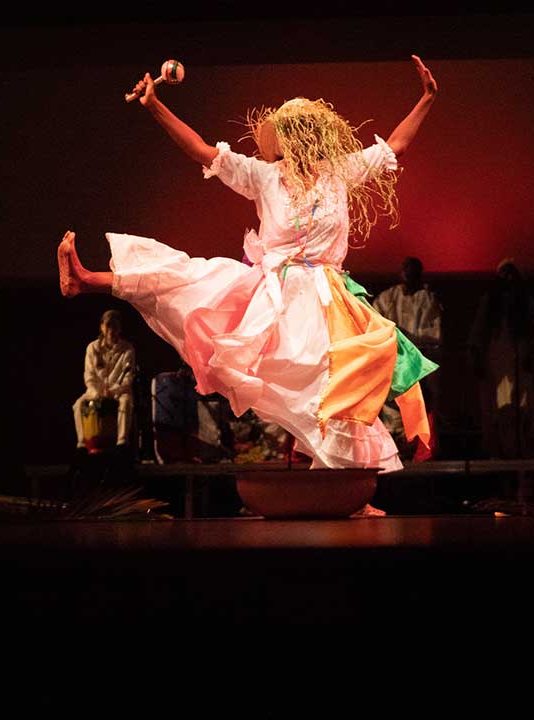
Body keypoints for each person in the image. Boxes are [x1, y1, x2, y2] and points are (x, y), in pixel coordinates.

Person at [57, 55, 439, 475]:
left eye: (306, 131)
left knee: (333, 391)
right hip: (275, 295)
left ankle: (340, 485)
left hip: (326, 301)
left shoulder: (338, 172)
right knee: (187, 279)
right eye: (292, 132)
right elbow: (202, 151)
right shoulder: (264, 175)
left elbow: (395, 146)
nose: (300, 139)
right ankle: (87, 279)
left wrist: (426, 98)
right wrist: (154, 105)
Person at [468, 259, 534, 458]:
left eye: (512, 273)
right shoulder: (489, 303)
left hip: (520, 363)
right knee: (497, 412)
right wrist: (477, 359)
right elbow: (477, 334)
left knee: (521, 411)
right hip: (495, 363)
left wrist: (533, 355)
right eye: (504, 273)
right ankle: (500, 461)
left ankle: (520, 462)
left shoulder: (525, 304)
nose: (508, 277)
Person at [373, 256, 443, 459]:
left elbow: (434, 336)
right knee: (392, 417)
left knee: (415, 417)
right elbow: (374, 325)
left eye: (413, 271)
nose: (408, 274)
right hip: (392, 366)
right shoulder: (387, 298)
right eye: (405, 269)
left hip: (417, 368)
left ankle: (414, 458)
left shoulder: (427, 299)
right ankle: (393, 456)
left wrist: (407, 339)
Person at [72, 309, 136, 454]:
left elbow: (128, 378)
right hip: (96, 391)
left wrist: (113, 391)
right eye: (108, 325)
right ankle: (82, 444)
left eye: (115, 326)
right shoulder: (92, 348)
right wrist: (97, 392)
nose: (111, 330)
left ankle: (122, 443)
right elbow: (89, 376)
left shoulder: (128, 349)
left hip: (119, 392)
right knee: (78, 405)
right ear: (102, 327)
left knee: (126, 402)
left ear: (120, 328)